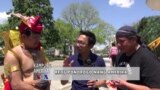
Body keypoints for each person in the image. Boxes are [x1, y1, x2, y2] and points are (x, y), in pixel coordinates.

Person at [3, 13, 50, 90]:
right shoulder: (12, 55)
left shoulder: (40, 51)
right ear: (23, 37)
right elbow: (17, 85)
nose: (38, 40)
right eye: (35, 37)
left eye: (39, 36)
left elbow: (47, 74)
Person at [106, 25, 160, 90]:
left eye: (122, 41)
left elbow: (156, 88)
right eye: (117, 42)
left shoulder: (148, 58)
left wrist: (126, 85)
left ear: (134, 40)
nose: (118, 45)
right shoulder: (120, 55)